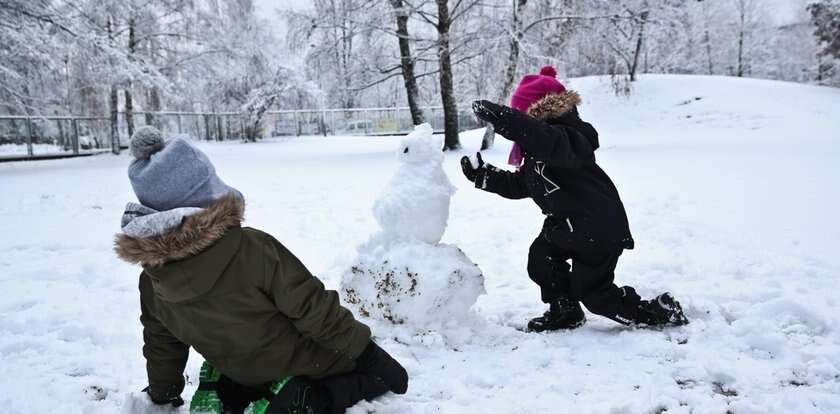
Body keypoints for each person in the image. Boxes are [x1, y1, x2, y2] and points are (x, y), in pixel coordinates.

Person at [115, 126, 407, 413]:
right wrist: (370, 354)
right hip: (301, 362)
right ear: (205, 193)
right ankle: (306, 399)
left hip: (240, 368)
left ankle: (232, 388)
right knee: (373, 377)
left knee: (250, 365)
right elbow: (314, 309)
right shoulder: (251, 248)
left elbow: (162, 342)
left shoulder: (152, 278)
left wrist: (162, 392)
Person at [461, 66, 689, 332]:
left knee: (594, 293)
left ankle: (656, 313)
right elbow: (521, 183)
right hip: (564, 225)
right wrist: (484, 176)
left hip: (597, 229)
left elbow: (546, 140)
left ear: (535, 115)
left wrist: (505, 119)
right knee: (541, 259)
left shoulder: (570, 138)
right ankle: (565, 310)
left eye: (522, 116)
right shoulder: (536, 154)